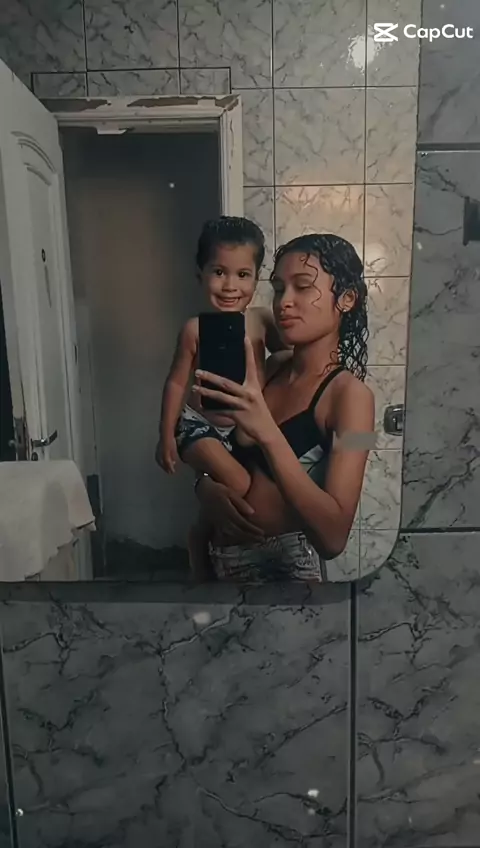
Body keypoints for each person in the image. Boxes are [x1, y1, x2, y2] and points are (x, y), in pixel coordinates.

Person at [191, 233, 375, 582]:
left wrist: (267, 433)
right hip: (216, 562)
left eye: (302, 287)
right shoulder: (272, 367)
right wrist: (204, 486)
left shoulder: (353, 398)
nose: (283, 302)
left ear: (347, 299)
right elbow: (216, 446)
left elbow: (334, 537)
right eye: (278, 288)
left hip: (285, 573)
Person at [155, 216, 284, 574]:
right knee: (241, 485)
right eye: (219, 272)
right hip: (200, 428)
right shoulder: (193, 330)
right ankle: (199, 536)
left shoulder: (261, 321)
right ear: (200, 275)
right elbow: (176, 383)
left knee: (248, 492)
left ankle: (210, 532)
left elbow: (292, 357)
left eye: (242, 275)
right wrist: (165, 435)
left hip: (243, 431)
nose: (230, 286)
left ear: (256, 279)